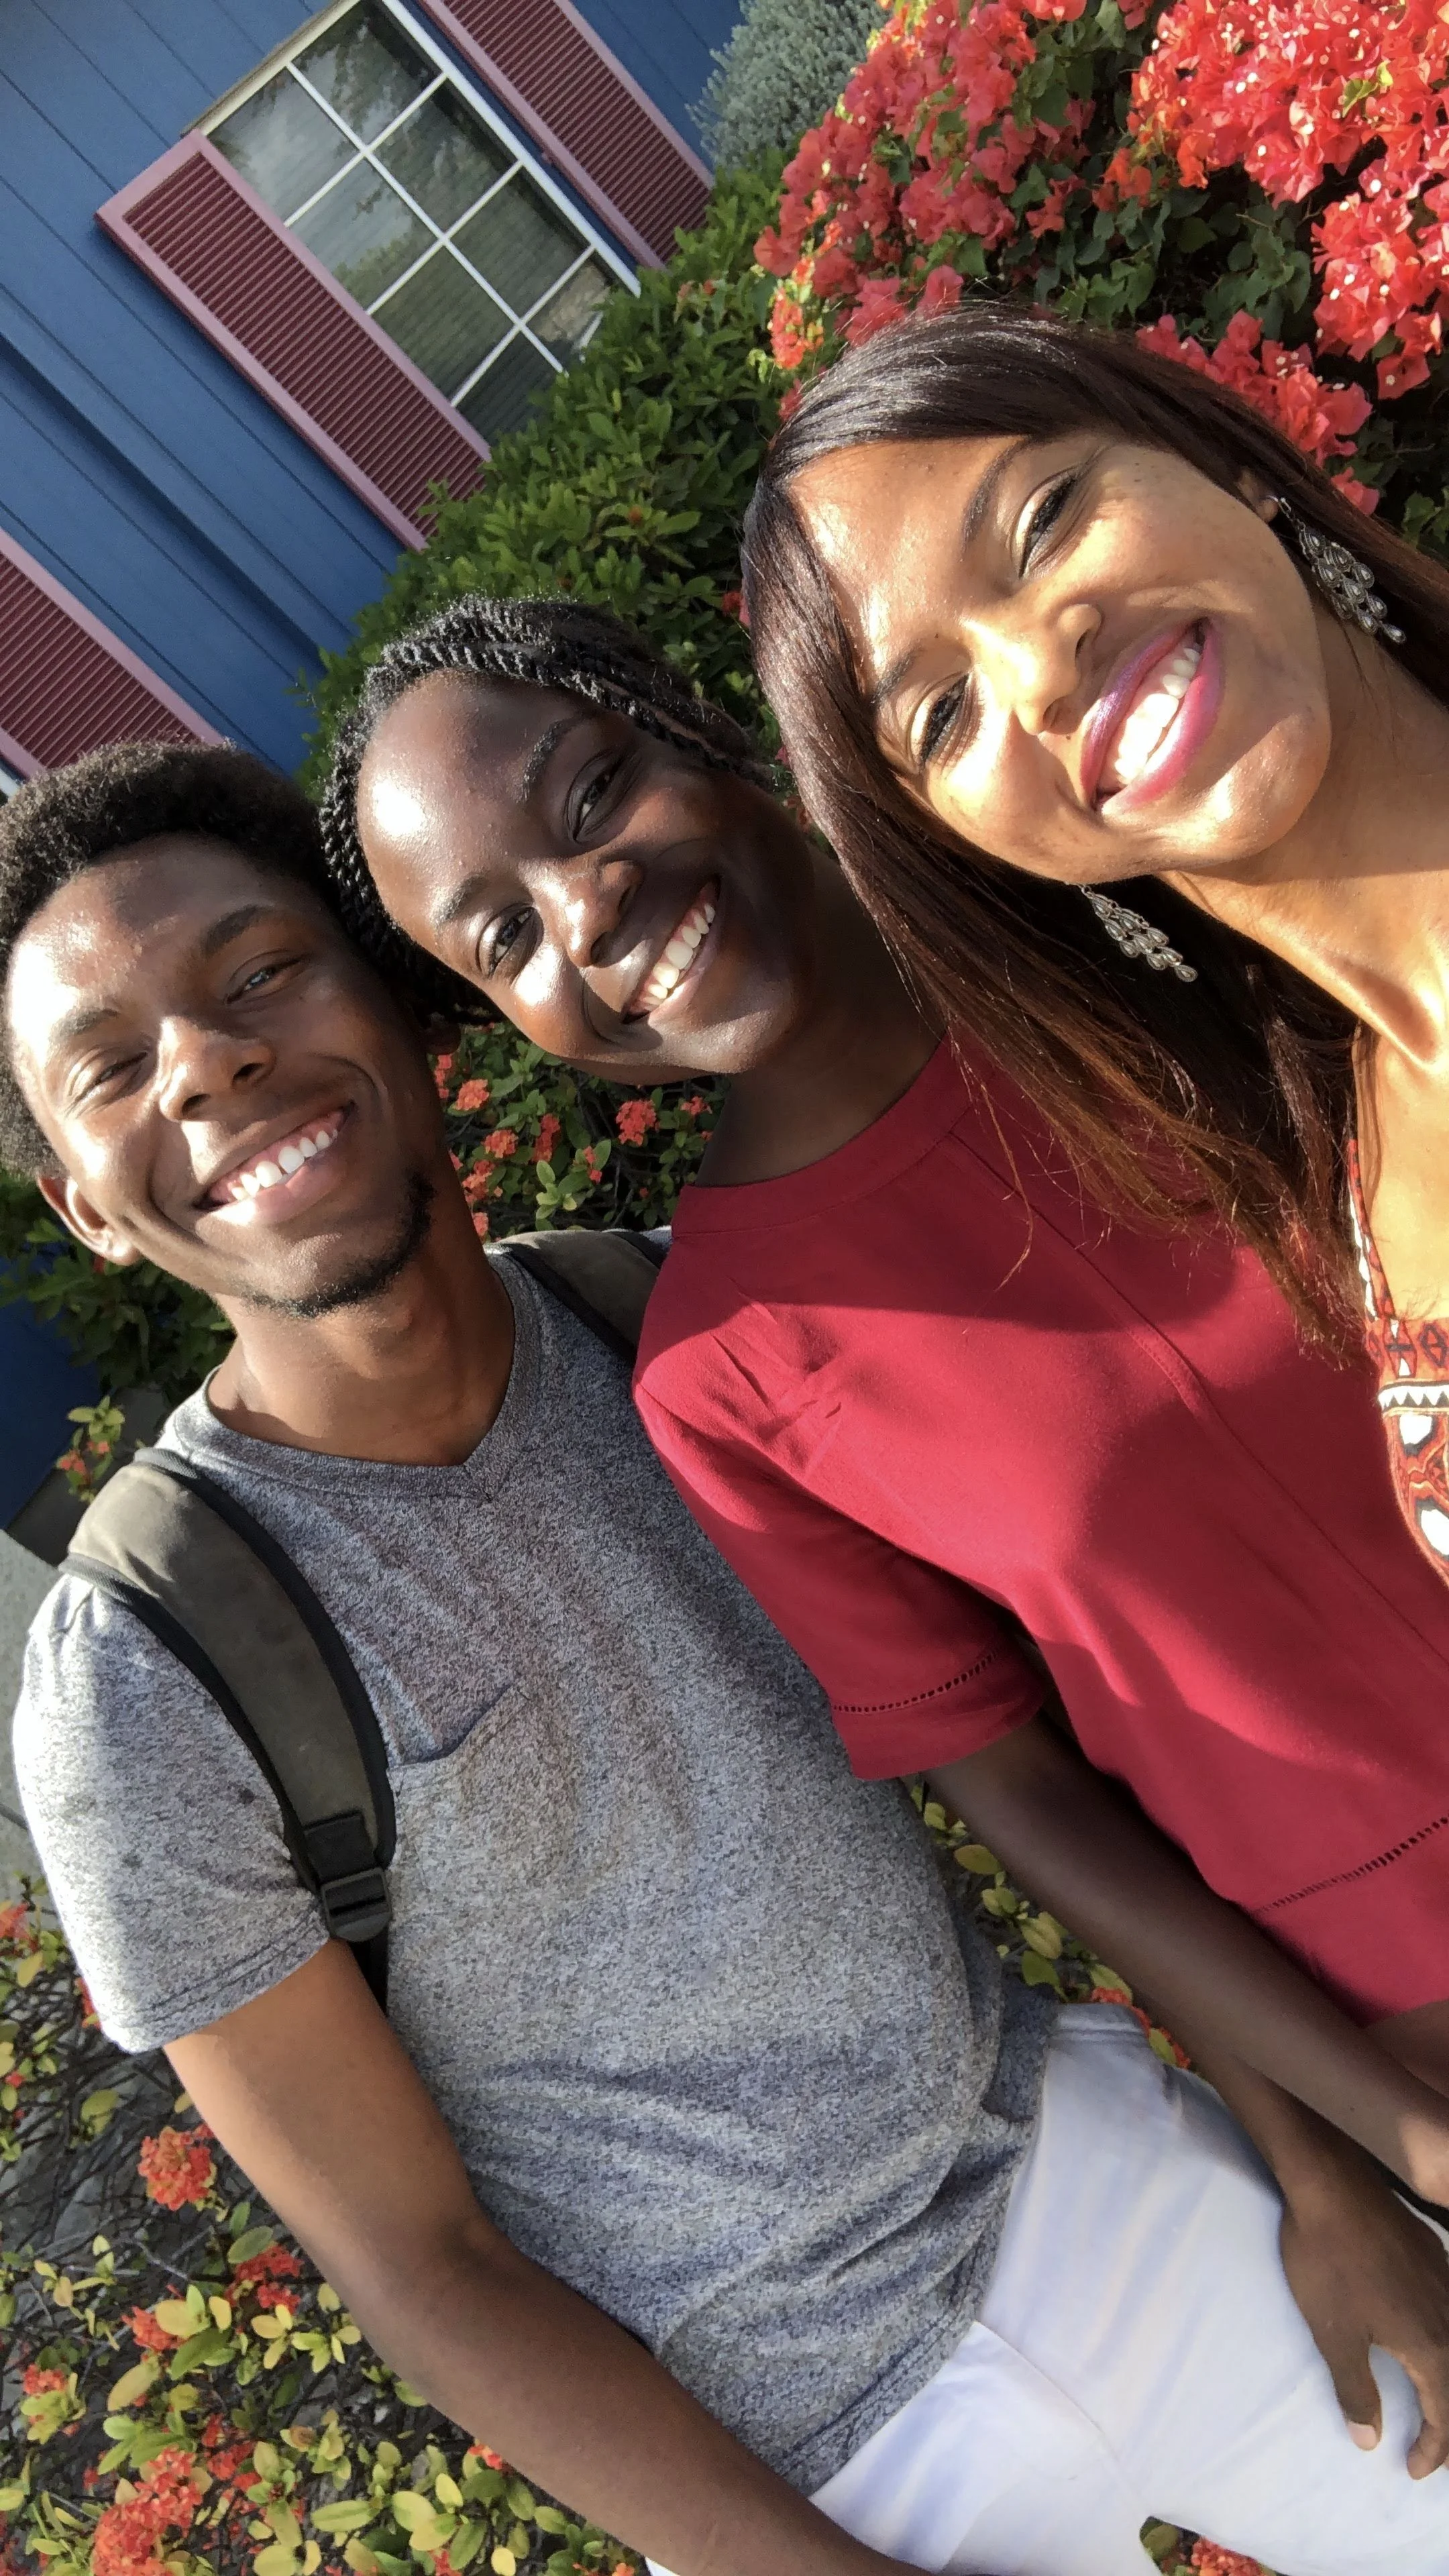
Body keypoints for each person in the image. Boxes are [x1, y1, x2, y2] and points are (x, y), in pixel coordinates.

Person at [17, 752, 1449, 2576]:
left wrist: (1325, 2170)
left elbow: (1037, 1761)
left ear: (402, 1006)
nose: (206, 1064)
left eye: (257, 976)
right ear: (84, 1201)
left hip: (1092, 2172)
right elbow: (419, 2266)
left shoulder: (679, 1334)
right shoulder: (151, 1664)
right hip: (809, 2467)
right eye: (113, 1065)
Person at [322, 590, 1449, 2137]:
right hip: (1419, 1979)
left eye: (588, 795)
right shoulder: (724, 1378)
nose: (583, 911)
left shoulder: (1102, 912)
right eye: (504, 935)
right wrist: (1383, 2143)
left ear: (695, 723)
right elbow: (1036, 1800)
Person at [737, 303, 1449, 1589]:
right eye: (944, 715)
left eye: (1044, 517)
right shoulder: (1351, 1196)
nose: (1035, 670)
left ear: (1216, 456)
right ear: (976, 848)